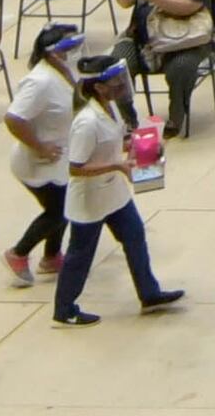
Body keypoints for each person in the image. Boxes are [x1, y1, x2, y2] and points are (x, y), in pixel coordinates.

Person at [49, 56, 183, 323]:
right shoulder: (86, 122)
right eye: (116, 80)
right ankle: (64, 310)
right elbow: (76, 167)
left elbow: (112, 142)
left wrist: (143, 144)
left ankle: (149, 293)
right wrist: (118, 166)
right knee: (80, 255)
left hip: (113, 193)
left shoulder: (110, 109)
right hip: (90, 200)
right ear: (99, 87)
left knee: (134, 236)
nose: (122, 83)